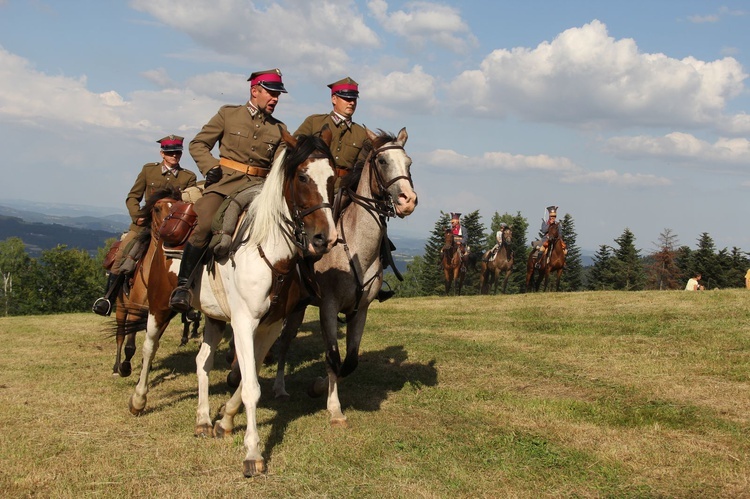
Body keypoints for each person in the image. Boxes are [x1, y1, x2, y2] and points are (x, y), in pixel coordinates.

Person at [169, 69, 289, 312]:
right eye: (271, 93)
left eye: (278, 95)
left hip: (259, 189)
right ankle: (184, 286)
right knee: (203, 222)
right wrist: (210, 166)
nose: (275, 99)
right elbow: (198, 144)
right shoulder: (228, 114)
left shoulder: (279, 129)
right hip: (225, 183)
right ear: (254, 91)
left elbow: (280, 165)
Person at [294, 77, 395, 302]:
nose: (351, 103)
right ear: (333, 99)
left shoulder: (361, 133)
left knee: (374, 223)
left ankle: (376, 276)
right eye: (346, 98)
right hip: (318, 190)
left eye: (354, 99)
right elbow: (296, 151)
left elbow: (362, 169)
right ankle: (299, 276)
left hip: (347, 190)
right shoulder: (314, 122)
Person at [92, 135, 197, 316]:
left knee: (193, 255)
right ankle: (108, 298)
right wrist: (137, 216)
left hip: (174, 229)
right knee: (124, 252)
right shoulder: (149, 171)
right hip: (146, 225)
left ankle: (190, 303)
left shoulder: (189, 177)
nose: (174, 156)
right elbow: (133, 197)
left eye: (177, 153)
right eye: (171, 153)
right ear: (162, 153)